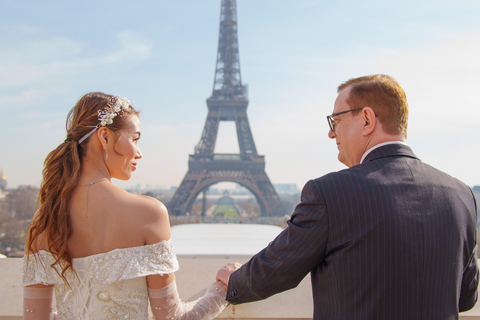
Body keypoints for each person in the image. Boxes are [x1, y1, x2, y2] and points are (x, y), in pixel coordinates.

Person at [216, 74, 479, 319]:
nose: (332, 133)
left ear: (367, 119)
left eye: (336, 120)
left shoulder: (330, 193)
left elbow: (276, 270)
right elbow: (466, 296)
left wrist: (235, 280)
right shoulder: (461, 195)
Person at [23, 92, 228, 320]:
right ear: (105, 137)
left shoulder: (44, 219)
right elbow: (172, 317)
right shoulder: (149, 214)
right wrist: (221, 290)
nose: (139, 153)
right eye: (135, 139)